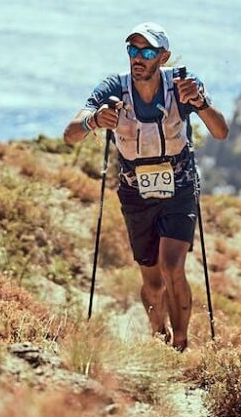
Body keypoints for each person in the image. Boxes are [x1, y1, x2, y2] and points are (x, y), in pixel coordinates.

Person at [64, 22, 229, 350]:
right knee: (152, 282)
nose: (138, 58)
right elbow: (70, 135)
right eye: (133, 50)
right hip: (135, 192)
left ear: (163, 57)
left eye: (148, 52)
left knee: (172, 266)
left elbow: (221, 131)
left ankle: (180, 344)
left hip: (179, 186)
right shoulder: (113, 88)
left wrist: (199, 103)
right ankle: (158, 334)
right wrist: (93, 121)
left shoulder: (183, 85)